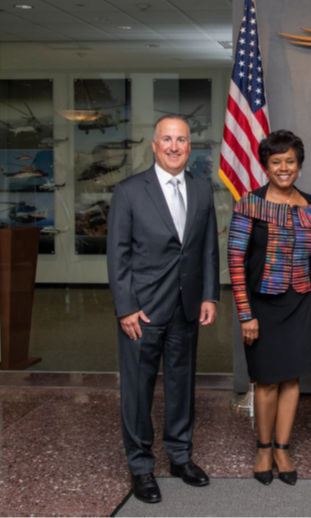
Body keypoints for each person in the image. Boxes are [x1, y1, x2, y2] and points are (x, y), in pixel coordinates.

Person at [107, 115, 219, 504]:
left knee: (181, 386)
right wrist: (126, 308)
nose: (175, 146)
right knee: (138, 391)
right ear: (154, 145)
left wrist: (209, 295)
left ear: (191, 146)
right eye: (167, 139)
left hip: (187, 308)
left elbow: (206, 248)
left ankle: (180, 457)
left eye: (182, 140)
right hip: (142, 312)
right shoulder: (129, 191)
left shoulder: (202, 189)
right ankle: (140, 467)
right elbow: (118, 255)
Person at [227, 130, 311, 487]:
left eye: (290, 161)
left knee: (292, 378)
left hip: (300, 302)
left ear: (299, 165)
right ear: (266, 166)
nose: (284, 168)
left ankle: (283, 448)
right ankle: (263, 447)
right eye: (276, 161)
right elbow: (235, 260)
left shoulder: (310, 203)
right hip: (262, 306)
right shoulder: (249, 203)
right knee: (265, 381)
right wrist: (245, 314)